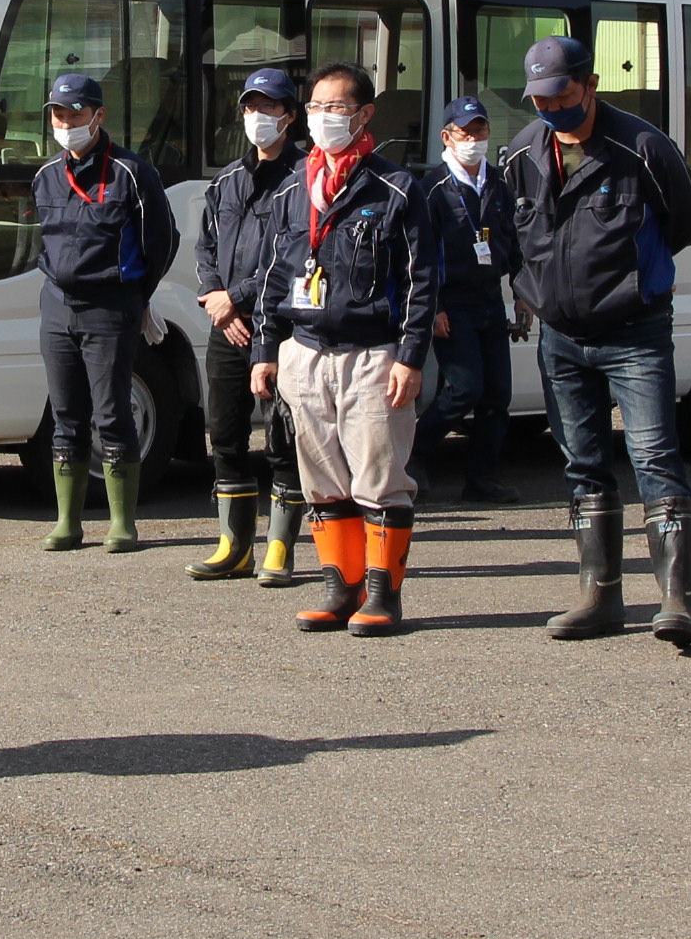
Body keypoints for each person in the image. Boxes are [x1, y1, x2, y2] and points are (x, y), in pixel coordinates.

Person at [503, 33, 691, 647]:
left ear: (590, 86)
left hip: (635, 333)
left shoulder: (643, 147)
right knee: (581, 462)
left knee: (653, 455)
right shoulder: (523, 152)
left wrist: (633, 276)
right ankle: (599, 596)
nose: (550, 108)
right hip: (560, 337)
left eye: (561, 95)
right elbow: (516, 234)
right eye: (539, 99)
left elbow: (688, 221)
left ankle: (677, 599)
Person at [249, 61, 434, 633]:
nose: (325, 118)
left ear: (364, 115)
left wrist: (410, 355)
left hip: (374, 354)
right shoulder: (291, 189)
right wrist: (265, 350)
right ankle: (340, 587)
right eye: (317, 108)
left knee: (379, 477)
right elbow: (273, 277)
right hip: (306, 354)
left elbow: (421, 280)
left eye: (338, 108)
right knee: (322, 479)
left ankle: (383, 595)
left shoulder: (397, 189)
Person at [30, 69, 179, 556]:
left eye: (75, 112)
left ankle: (122, 524)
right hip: (57, 306)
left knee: (112, 413)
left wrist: (138, 294)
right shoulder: (45, 175)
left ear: (99, 115)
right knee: (64, 415)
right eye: (58, 112)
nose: (66, 121)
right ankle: (67, 523)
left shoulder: (132, 173)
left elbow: (163, 239)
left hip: (110, 306)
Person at [186, 66, 306, 582]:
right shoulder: (227, 182)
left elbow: (293, 256)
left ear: (290, 116)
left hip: (281, 328)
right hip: (226, 327)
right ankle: (234, 545)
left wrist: (234, 300)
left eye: (271, 107)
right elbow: (205, 247)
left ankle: (280, 547)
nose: (259, 117)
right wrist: (217, 300)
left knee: (283, 438)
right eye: (252, 107)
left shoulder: (305, 179)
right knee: (225, 433)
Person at [413, 96, 523, 506]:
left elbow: (513, 244)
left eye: (480, 130)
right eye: (465, 132)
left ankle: (482, 477)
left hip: (490, 300)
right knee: (463, 388)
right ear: (447, 136)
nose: (474, 139)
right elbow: (421, 254)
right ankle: (415, 453)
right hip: (453, 303)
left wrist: (522, 293)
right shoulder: (434, 189)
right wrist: (435, 305)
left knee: (497, 395)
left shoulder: (497, 184)